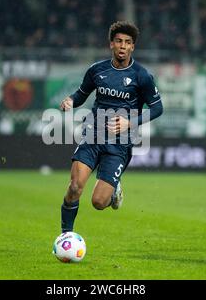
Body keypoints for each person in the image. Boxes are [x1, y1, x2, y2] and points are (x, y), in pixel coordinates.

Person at [59, 21, 163, 233]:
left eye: (127, 42)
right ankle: (65, 236)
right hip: (93, 135)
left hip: (119, 144)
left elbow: (158, 108)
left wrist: (130, 122)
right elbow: (81, 94)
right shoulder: (97, 70)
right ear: (111, 45)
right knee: (75, 187)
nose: (123, 46)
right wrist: (71, 100)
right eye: (119, 41)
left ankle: (114, 189)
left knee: (98, 202)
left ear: (133, 47)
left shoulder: (142, 76)